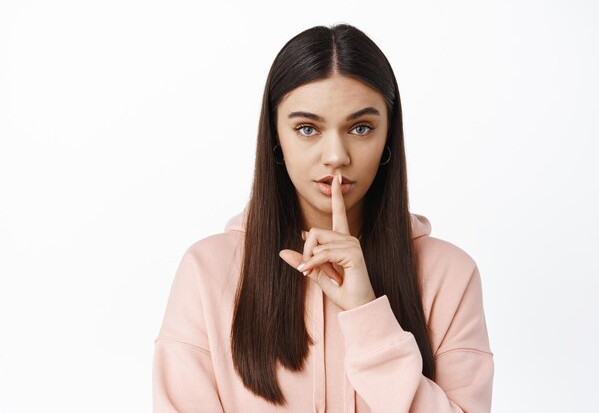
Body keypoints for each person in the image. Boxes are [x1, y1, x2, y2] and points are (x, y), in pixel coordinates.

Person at [153, 23, 494, 413]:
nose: (336, 155)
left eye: (361, 127)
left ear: (388, 138)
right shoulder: (206, 271)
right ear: (275, 137)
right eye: (307, 128)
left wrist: (367, 314)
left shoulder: (449, 274)